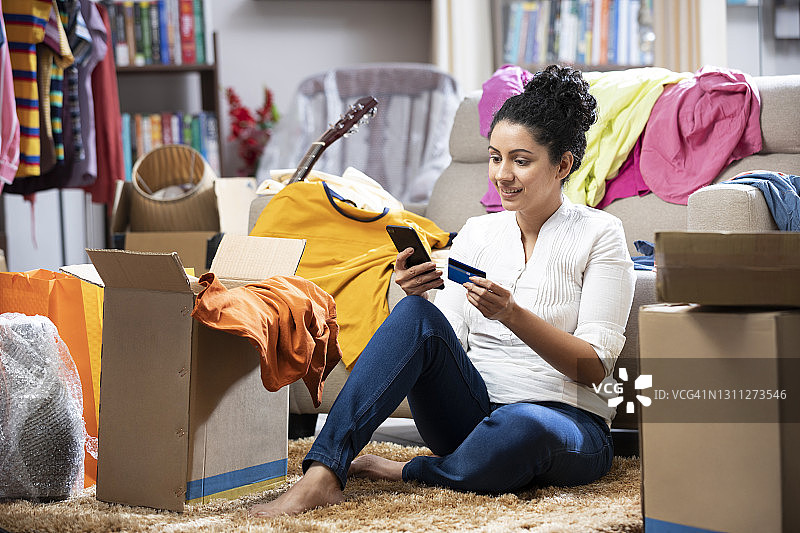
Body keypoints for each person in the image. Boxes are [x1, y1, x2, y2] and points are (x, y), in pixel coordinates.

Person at [250, 64, 636, 518]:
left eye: (521, 161)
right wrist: (417, 299)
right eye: (495, 157)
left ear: (563, 165)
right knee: (416, 317)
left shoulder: (601, 234)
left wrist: (513, 314)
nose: (502, 174)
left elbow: (593, 369)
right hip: (471, 417)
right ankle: (323, 473)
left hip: (566, 422)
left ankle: (408, 472)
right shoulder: (476, 233)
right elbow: (442, 342)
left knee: (522, 425)